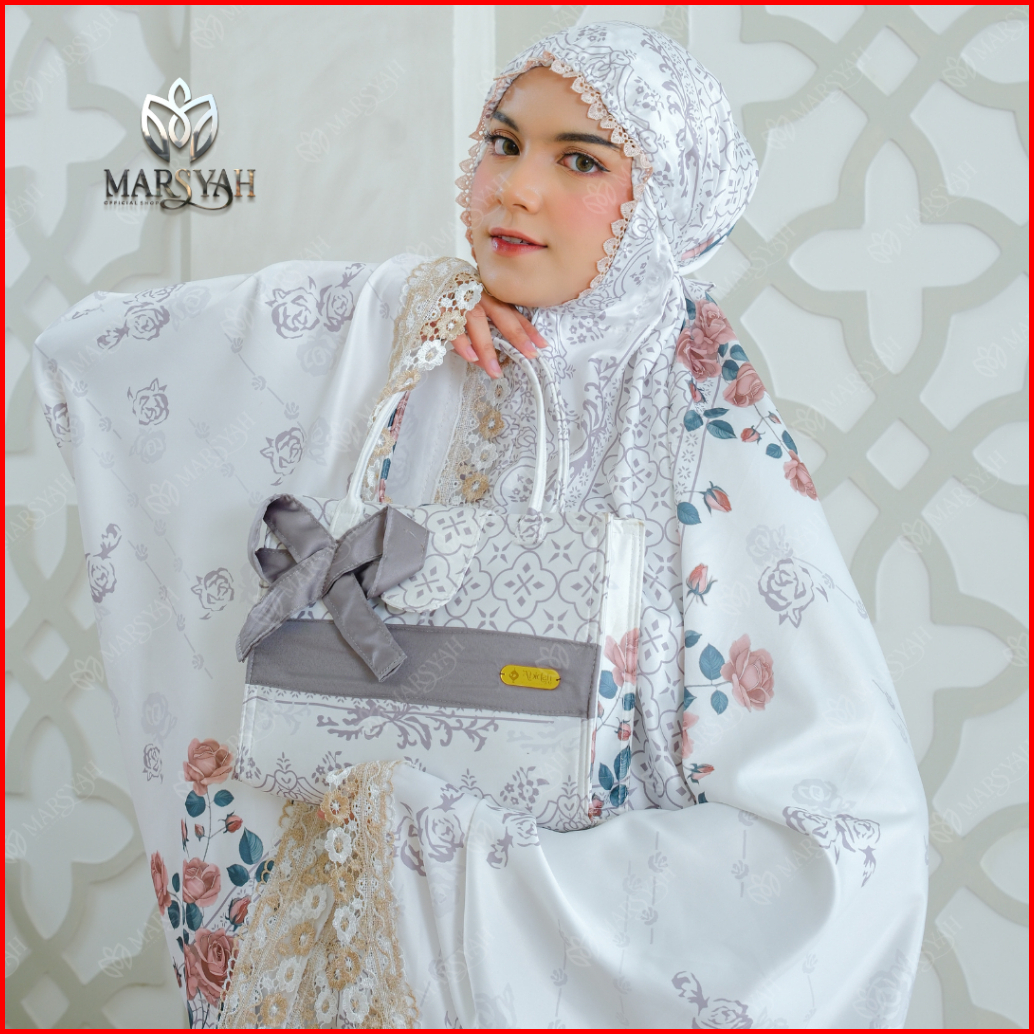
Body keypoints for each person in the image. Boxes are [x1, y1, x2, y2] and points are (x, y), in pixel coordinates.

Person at [35, 21, 927, 1030]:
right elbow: (93, 348)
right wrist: (402, 303)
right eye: (502, 143)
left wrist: (470, 863)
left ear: (666, 198)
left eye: (579, 160)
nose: (516, 189)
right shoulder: (426, 344)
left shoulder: (707, 426)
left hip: (535, 952)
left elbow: (852, 833)